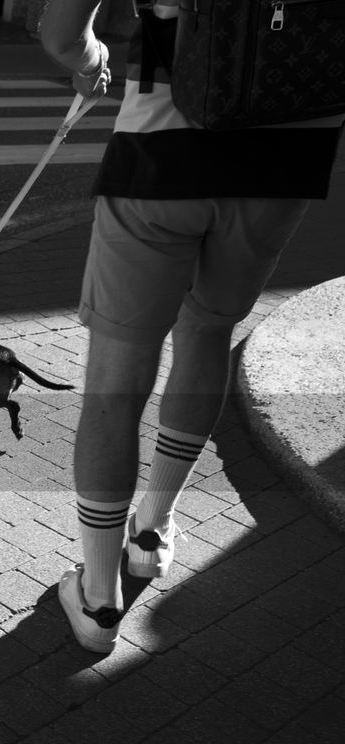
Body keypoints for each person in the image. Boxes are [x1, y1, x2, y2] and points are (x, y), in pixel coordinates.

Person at [39, 0, 343, 654]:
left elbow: (63, 33)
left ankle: (97, 599)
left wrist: (92, 62)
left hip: (162, 153)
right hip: (286, 158)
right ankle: (152, 533)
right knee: (207, 333)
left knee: (115, 382)